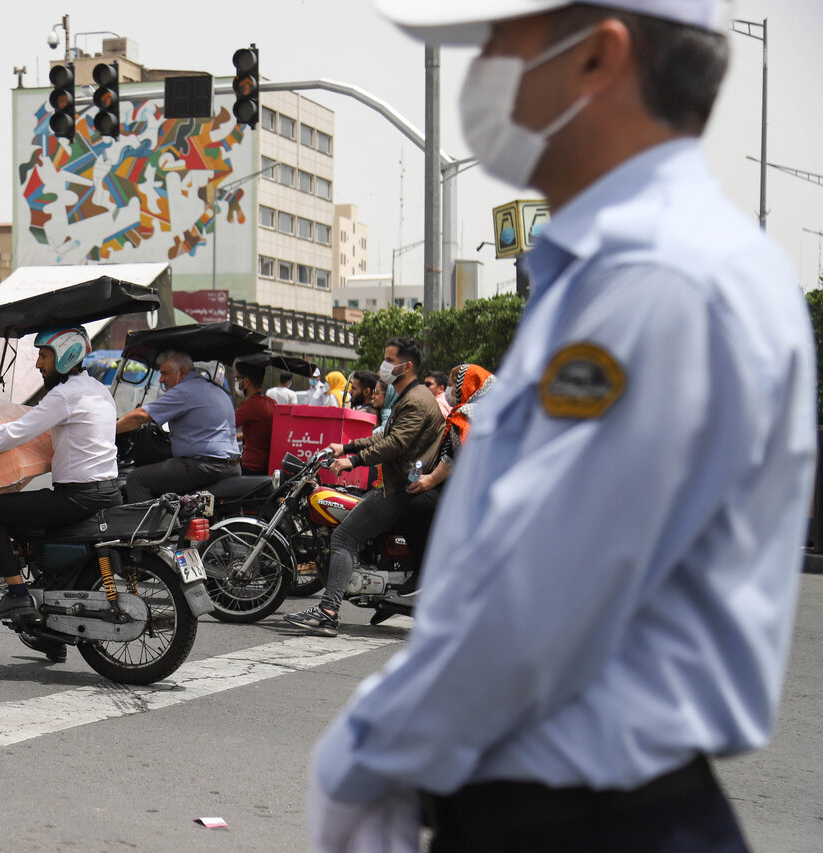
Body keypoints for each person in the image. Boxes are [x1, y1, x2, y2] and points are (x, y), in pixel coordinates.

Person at [309, 3, 817, 852]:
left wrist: (363, 754)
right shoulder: (619, 275)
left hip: (592, 819)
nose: (485, 68)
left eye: (504, 42)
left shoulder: (655, 281)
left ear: (599, 58)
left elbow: (536, 596)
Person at [0, 327, 121, 655]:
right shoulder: (97, 390)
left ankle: (17, 595)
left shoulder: (65, 394)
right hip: (105, 490)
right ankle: (50, 635)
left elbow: (17, 432)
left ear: (65, 356)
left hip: (76, 496)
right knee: (35, 536)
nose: (38, 364)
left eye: (44, 355)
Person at [284, 338, 444, 637]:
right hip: (400, 484)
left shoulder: (416, 400)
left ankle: (328, 611)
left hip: (399, 490)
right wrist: (343, 447)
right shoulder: (409, 396)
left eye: (389, 359)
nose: (384, 365)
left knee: (344, 537)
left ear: (406, 366)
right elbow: (384, 436)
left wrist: (352, 460)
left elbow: (395, 444)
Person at [368, 363, 496, 625]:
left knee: (413, 509)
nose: (451, 390)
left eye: (454, 384)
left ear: (467, 386)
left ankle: (423, 572)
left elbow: (455, 456)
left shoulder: (470, 413)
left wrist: (430, 480)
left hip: (463, 493)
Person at [116, 350, 240, 502]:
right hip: (232, 466)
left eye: (165, 373)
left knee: (137, 479)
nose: (161, 379)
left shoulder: (185, 390)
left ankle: (147, 526)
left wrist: (108, 430)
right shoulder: (216, 388)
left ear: (181, 372)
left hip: (205, 467)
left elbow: (140, 416)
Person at [233, 361, 277, 476]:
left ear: (246, 381)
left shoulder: (250, 406)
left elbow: (226, 426)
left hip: (251, 467)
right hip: (268, 466)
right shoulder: (272, 403)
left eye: (238, 379)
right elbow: (260, 432)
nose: (237, 383)